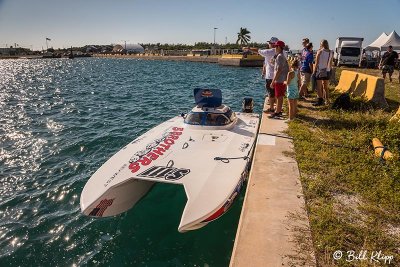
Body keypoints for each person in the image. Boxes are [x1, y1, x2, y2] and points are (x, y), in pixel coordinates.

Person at [269, 40, 289, 118]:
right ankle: (278, 111)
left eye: (275, 46)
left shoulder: (280, 56)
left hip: (280, 80)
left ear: (278, 47)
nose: (275, 48)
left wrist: (273, 81)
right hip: (281, 79)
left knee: (279, 97)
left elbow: (279, 70)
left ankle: (277, 113)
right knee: (279, 96)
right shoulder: (280, 56)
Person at [258, 37, 279, 112]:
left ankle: (271, 108)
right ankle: (277, 107)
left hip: (270, 76)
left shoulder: (268, 52)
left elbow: (258, 51)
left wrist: (248, 48)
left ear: (273, 44)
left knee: (270, 92)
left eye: (269, 43)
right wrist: (263, 72)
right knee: (276, 91)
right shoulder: (283, 52)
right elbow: (265, 64)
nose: (268, 44)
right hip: (278, 76)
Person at [313, 39, 333, 106]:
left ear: (321, 44)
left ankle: (320, 100)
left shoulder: (320, 51)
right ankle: (327, 100)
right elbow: (331, 63)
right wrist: (329, 70)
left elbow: (316, 62)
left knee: (319, 87)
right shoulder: (331, 52)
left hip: (320, 70)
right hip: (327, 71)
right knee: (325, 87)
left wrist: (314, 71)